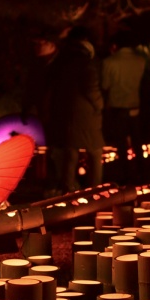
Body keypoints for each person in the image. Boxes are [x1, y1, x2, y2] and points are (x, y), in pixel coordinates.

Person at [22, 26, 74, 196]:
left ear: (52, 45)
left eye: (41, 44)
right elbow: (32, 89)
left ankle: (64, 183)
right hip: (46, 114)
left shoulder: (61, 64)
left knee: (61, 149)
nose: (38, 47)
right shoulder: (37, 65)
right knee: (51, 148)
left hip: (61, 114)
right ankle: (55, 182)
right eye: (36, 44)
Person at [100, 30, 145, 182]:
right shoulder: (140, 60)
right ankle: (141, 172)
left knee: (121, 143)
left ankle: (125, 175)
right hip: (135, 106)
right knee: (137, 141)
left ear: (115, 45)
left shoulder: (109, 62)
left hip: (117, 107)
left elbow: (105, 85)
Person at [63, 26, 104, 191]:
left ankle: (68, 188)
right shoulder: (86, 62)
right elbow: (91, 88)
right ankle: (95, 189)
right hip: (85, 114)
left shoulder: (63, 59)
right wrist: (100, 105)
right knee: (95, 151)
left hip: (68, 112)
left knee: (71, 152)